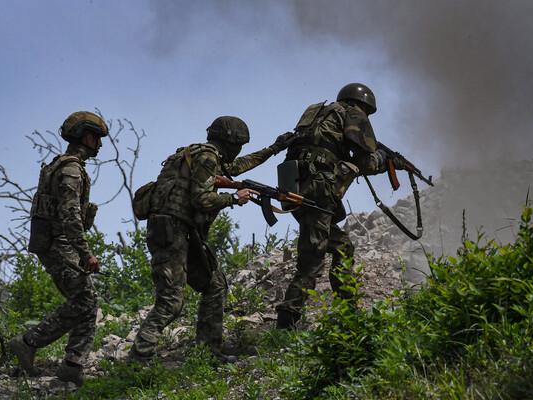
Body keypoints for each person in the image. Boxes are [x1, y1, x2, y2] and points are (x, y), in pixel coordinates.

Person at [129, 116, 293, 363]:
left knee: (214, 285)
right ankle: (137, 360)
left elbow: (236, 167)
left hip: (181, 231)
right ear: (230, 142)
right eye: (239, 145)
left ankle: (209, 352)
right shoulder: (206, 157)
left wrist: (274, 149)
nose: (239, 151)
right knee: (171, 301)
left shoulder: (199, 155)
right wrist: (234, 198)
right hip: (171, 231)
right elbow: (202, 199)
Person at [275, 83, 402, 329]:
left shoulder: (318, 114)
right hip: (318, 191)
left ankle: (348, 312)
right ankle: (285, 324)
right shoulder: (353, 114)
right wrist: (384, 159)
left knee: (343, 247)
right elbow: (366, 162)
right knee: (311, 261)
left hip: (296, 186)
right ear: (363, 105)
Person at [9, 111, 108, 386]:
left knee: (86, 302)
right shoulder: (71, 169)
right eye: (97, 139)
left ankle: (72, 365)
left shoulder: (63, 165)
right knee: (85, 300)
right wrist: (86, 252)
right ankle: (29, 342)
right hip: (59, 243)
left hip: (56, 242)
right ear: (87, 137)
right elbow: (70, 215)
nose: (99, 145)